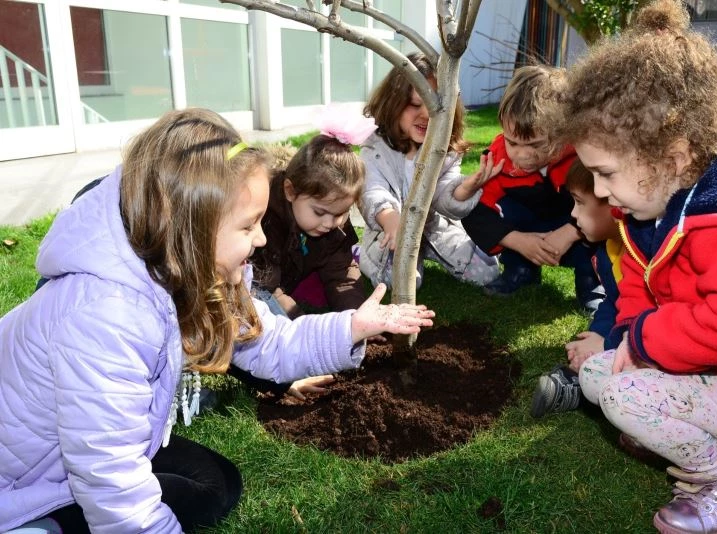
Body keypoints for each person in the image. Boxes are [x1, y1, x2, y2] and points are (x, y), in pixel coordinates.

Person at [0, 108, 434, 534]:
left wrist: (353, 326)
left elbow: (267, 342)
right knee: (126, 496)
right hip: (23, 477)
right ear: (192, 226)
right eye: (249, 226)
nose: (262, 238)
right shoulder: (104, 316)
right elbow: (109, 477)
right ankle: (39, 524)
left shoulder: (196, 267)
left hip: (72, 449)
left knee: (217, 485)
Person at [548, 1, 717, 532]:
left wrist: (643, 344)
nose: (598, 192)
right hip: (714, 368)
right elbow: (639, 287)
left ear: (675, 153)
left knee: (619, 390)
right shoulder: (653, 205)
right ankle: (679, 429)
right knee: (600, 373)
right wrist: (627, 339)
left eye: (605, 173)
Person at [461, 65, 602, 310]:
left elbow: (604, 205)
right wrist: (517, 241)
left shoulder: (583, 155)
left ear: (563, 132)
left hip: (575, 228)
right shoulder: (498, 158)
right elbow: (475, 210)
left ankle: (591, 281)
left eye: (536, 145)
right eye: (512, 142)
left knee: (596, 217)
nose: (522, 155)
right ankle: (520, 269)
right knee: (497, 207)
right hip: (526, 229)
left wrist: (570, 233)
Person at [358, 52, 501, 289]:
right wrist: (391, 219)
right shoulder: (374, 147)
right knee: (399, 282)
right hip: (393, 231)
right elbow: (372, 190)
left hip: (433, 227)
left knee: (487, 271)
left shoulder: (443, 149)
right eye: (415, 104)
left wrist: (464, 189)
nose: (425, 115)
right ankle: (361, 252)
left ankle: (430, 252)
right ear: (393, 103)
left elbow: (443, 194)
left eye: (436, 107)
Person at [250, 109, 376, 320]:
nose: (330, 223)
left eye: (342, 213)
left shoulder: (333, 222)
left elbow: (342, 273)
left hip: (290, 272)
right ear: (290, 191)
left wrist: (355, 316)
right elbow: (267, 287)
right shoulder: (266, 219)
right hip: (259, 282)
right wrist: (301, 325)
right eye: (320, 212)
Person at [529, 160, 623, 418]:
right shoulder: (608, 250)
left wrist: (607, 342)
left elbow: (648, 315)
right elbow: (614, 303)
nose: (573, 213)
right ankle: (582, 376)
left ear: (614, 202)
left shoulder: (645, 254)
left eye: (580, 203)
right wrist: (596, 335)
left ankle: (578, 384)